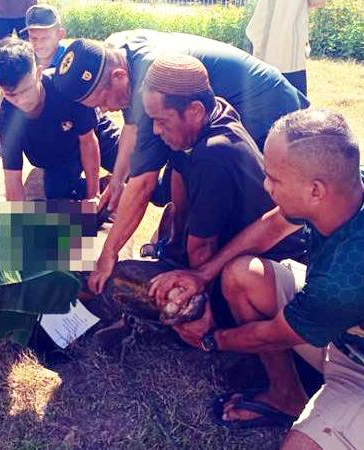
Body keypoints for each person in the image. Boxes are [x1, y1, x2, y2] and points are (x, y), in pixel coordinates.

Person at [148, 109, 364, 449]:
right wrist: (201, 275)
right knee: (240, 276)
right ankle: (286, 396)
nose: (266, 186)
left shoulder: (349, 276)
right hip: (348, 328)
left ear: (315, 191)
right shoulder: (356, 184)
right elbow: (273, 225)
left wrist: (209, 339)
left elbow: (273, 335)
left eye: (275, 179)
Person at [51, 30, 309, 295]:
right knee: (187, 169)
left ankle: (233, 282)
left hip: (264, 106)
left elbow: (143, 184)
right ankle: (186, 251)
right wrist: (117, 181)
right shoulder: (120, 58)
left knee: (234, 198)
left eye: (103, 100)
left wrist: (108, 254)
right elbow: (133, 128)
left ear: (119, 76)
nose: (105, 109)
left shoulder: (152, 81)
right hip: (215, 112)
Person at [98, 53, 305, 345]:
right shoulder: (214, 112)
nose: (156, 130)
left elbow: (202, 248)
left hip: (262, 268)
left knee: (121, 281)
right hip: (232, 255)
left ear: (194, 110)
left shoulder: (213, 154)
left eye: (161, 121)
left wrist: (193, 293)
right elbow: (179, 191)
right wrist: (172, 251)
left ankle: (204, 327)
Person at [0, 37, 119, 201]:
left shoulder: (65, 88)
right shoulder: (7, 119)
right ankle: (102, 183)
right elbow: (12, 179)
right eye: (11, 95)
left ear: (38, 73)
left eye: (26, 90)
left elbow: (88, 141)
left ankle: (100, 187)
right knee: (58, 197)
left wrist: (94, 196)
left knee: (140, 175)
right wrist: (16, 221)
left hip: (94, 133)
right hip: (59, 157)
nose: (22, 101)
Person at [245, 0, 327, 95]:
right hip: (289, 48)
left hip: (262, 40)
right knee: (294, 103)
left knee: (262, 98)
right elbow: (317, 2)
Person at [23, 3, 66, 70]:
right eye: (33, 38)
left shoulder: (71, 62)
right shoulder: (25, 61)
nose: (39, 44)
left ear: (60, 35)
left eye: (45, 38)